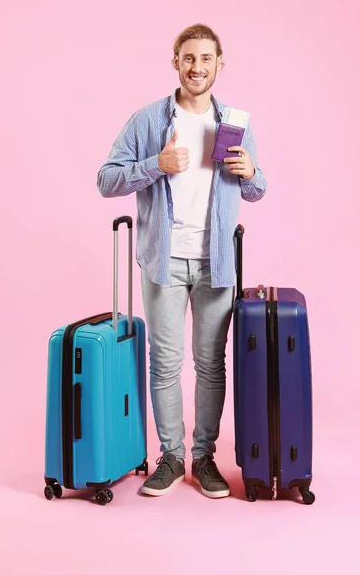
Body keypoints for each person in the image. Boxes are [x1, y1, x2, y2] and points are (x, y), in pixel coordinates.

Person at [97, 24, 267, 498]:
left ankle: (203, 458)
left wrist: (252, 172)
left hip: (215, 261)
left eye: (206, 59)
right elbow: (106, 180)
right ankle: (171, 458)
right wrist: (156, 164)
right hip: (164, 261)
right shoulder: (148, 121)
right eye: (188, 58)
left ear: (219, 65)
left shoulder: (236, 122)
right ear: (176, 61)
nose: (197, 67)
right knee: (165, 364)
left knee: (212, 364)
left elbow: (256, 190)